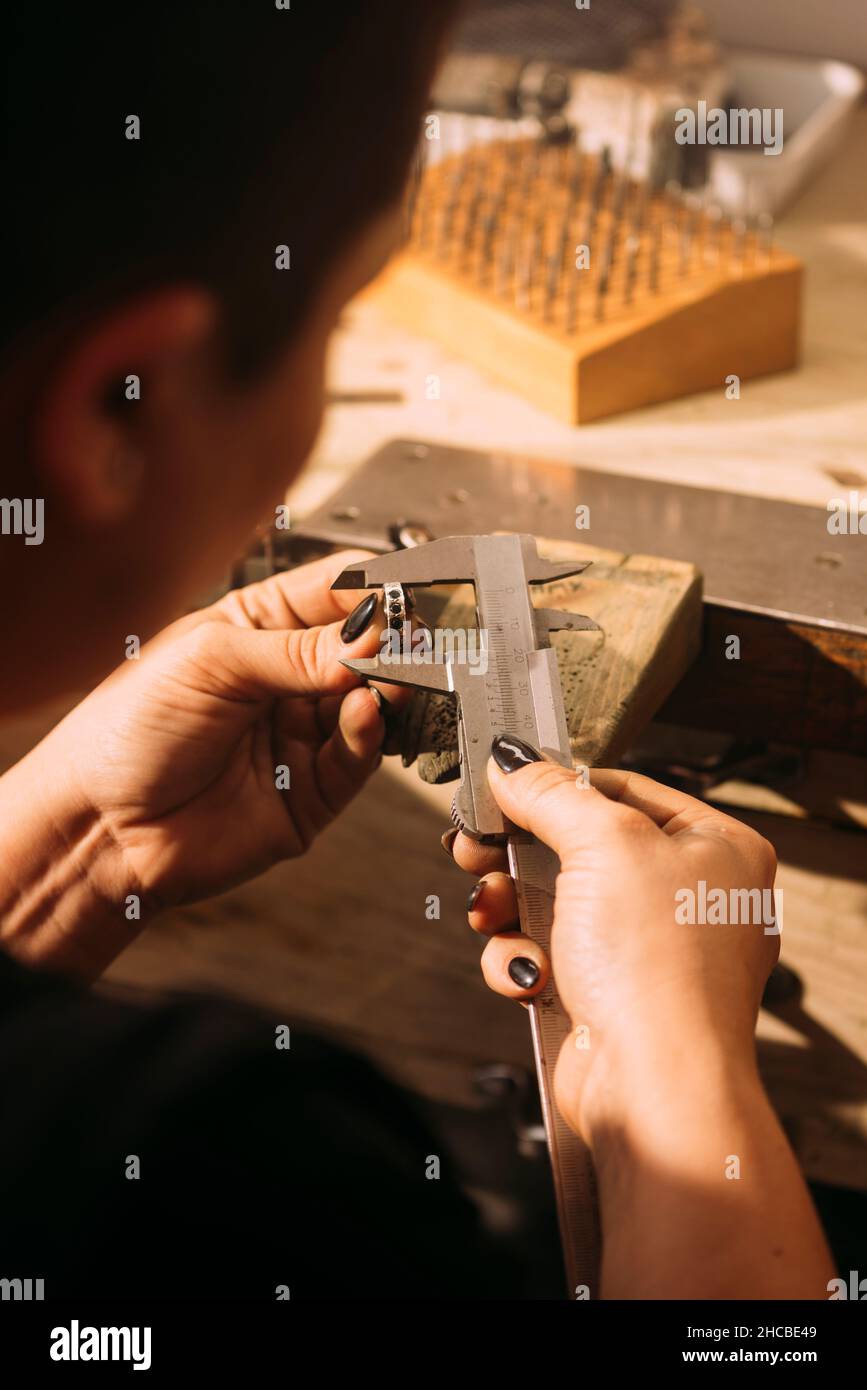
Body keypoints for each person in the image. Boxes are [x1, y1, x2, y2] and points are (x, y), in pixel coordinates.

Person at [0, 3, 833, 1301]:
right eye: (341, 314)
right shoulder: (205, 1171)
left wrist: (70, 852)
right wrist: (684, 1064)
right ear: (126, 402)